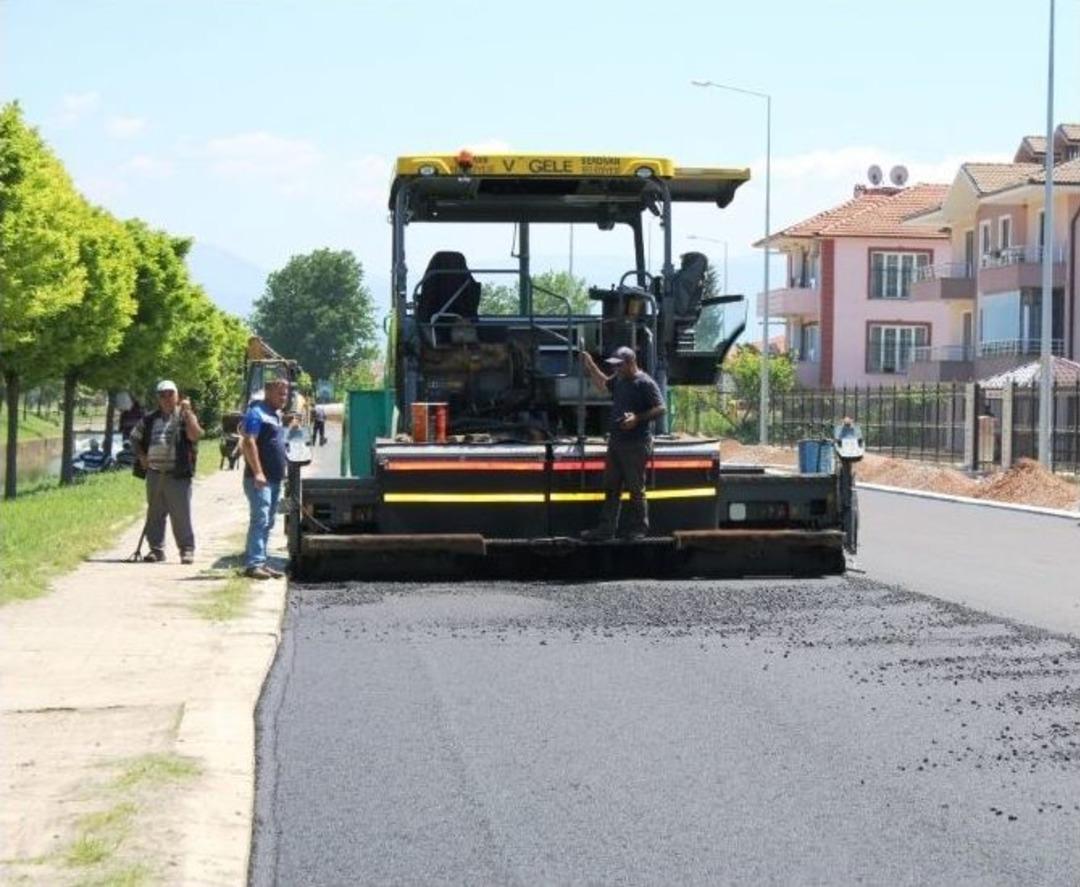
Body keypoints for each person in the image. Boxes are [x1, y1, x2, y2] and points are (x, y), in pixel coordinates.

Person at [578, 345, 666, 541]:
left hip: (636, 443)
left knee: (636, 488)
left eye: (619, 366)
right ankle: (606, 529)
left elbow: (661, 408)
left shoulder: (645, 382)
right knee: (611, 487)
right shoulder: (619, 379)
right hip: (617, 442)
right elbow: (603, 385)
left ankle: (640, 529)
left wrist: (637, 418)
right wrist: (591, 365)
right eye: (614, 366)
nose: (615, 369)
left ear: (630, 363)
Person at [130, 380, 203, 563]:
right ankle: (156, 550)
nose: (167, 398)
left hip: (177, 473)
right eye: (162, 395)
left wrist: (188, 413)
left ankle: (186, 550)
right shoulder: (149, 419)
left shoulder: (184, 415)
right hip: (155, 473)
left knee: (181, 515)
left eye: (170, 394)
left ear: (177, 395)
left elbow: (195, 435)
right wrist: (141, 456)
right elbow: (134, 437)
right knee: (154, 513)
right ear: (158, 398)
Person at [240, 378, 289, 580]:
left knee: (268, 521)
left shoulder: (275, 415)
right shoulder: (256, 413)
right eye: (280, 393)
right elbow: (248, 442)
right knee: (260, 519)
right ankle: (253, 564)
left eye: (285, 394)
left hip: (275, 479)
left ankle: (261, 561)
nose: (284, 397)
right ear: (267, 392)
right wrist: (258, 472)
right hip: (260, 479)